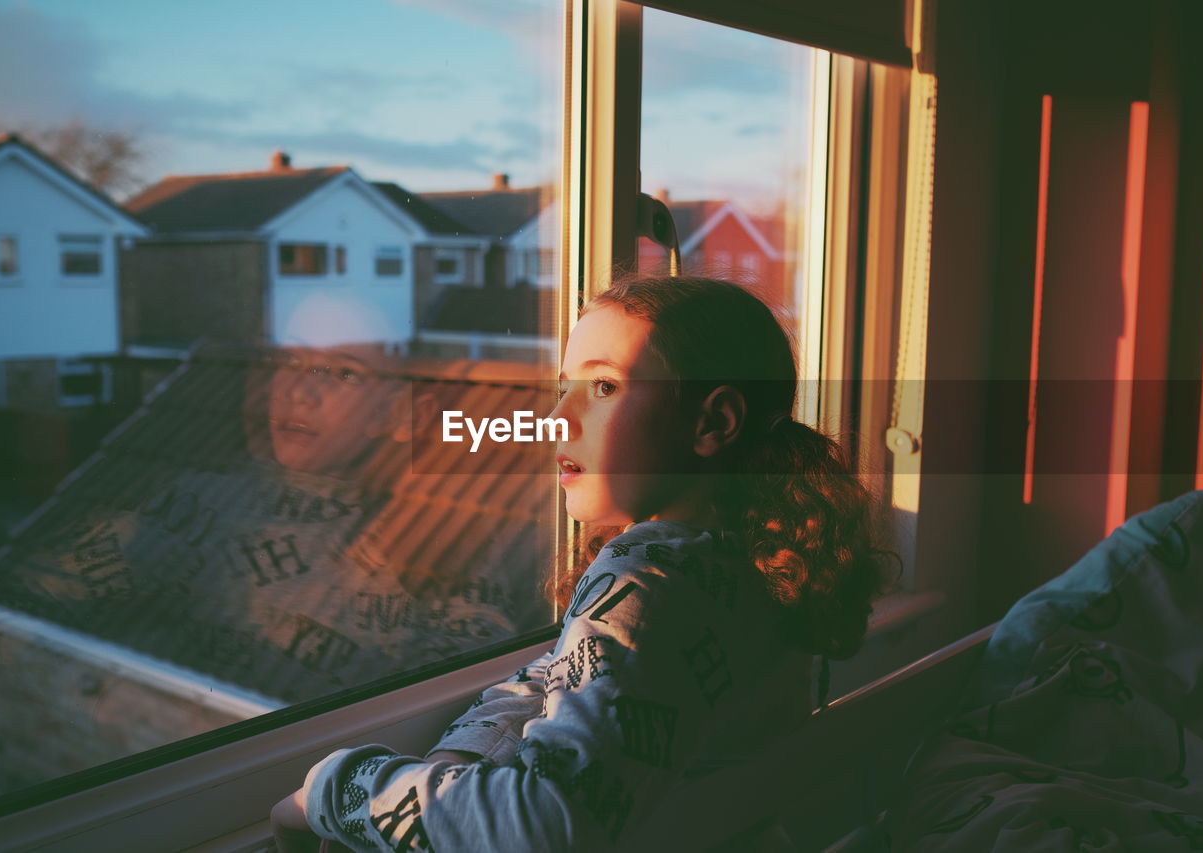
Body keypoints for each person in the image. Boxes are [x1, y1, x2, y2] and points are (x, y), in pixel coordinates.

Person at [270, 276, 885, 851]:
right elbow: (561, 677)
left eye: (604, 387)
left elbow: (545, 822)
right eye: (563, 388)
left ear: (712, 422)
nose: (558, 418)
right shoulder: (757, 563)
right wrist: (461, 758)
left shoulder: (645, 578)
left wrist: (334, 789)